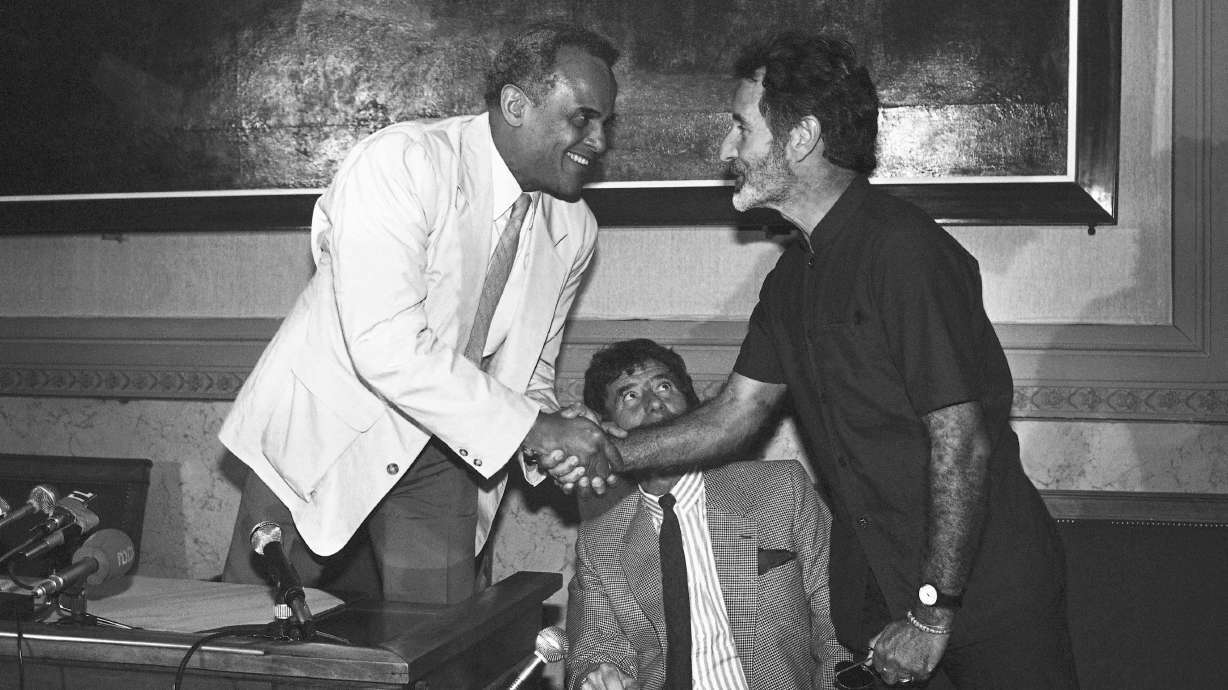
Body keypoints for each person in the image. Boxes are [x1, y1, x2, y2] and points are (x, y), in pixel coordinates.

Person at [548, 32, 1078, 688]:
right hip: (884, 598)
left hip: (985, 602)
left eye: (741, 128)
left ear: (799, 138)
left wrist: (933, 613)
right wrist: (609, 451)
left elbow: (960, 443)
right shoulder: (790, 280)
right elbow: (735, 415)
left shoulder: (904, 255)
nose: (727, 150)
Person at [219, 21, 621, 604]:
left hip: (449, 453)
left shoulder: (574, 227)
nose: (599, 141)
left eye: (606, 122)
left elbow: (527, 376)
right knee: (258, 639)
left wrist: (550, 445)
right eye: (582, 117)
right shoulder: (402, 162)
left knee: (436, 650)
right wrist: (537, 428)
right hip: (328, 434)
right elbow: (386, 346)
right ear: (515, 104)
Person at [565, 339, 850, 690]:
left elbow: (840, 625)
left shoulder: (780, 490)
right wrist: (599, 676)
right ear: (608, 431)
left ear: (693, 404)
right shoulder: (600, 541)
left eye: (664, 386)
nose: (654, 404)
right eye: (630, 396)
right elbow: (596, 649)